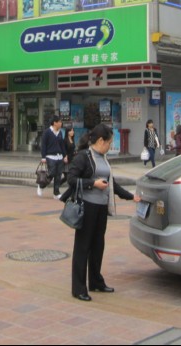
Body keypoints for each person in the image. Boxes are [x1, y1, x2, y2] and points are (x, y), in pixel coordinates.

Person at [62, 123, 141, 301]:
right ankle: (78, 288)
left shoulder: (103, 159)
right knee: (83, 247)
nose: (110, 146)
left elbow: (111, 183)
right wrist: (92, 183)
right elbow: (71, 179)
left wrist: (130, 196)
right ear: (100, 141)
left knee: (98, 246)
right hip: (87, 207)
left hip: (101, 208)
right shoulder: (84, 156)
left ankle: (96, 281)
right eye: (109, 143)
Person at [40, 114, 66, 199]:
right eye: (59, 122)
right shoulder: (47, 132)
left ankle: (56, 193)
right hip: (50, 156)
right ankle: (42, 185)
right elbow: (43, 145)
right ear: (55, 123)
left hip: (59, 157)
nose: (61, 123)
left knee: (58, 175)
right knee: (51, 173)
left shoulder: (60, 132)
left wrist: (64, 155)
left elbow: (62, 145)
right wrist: (43, 157)